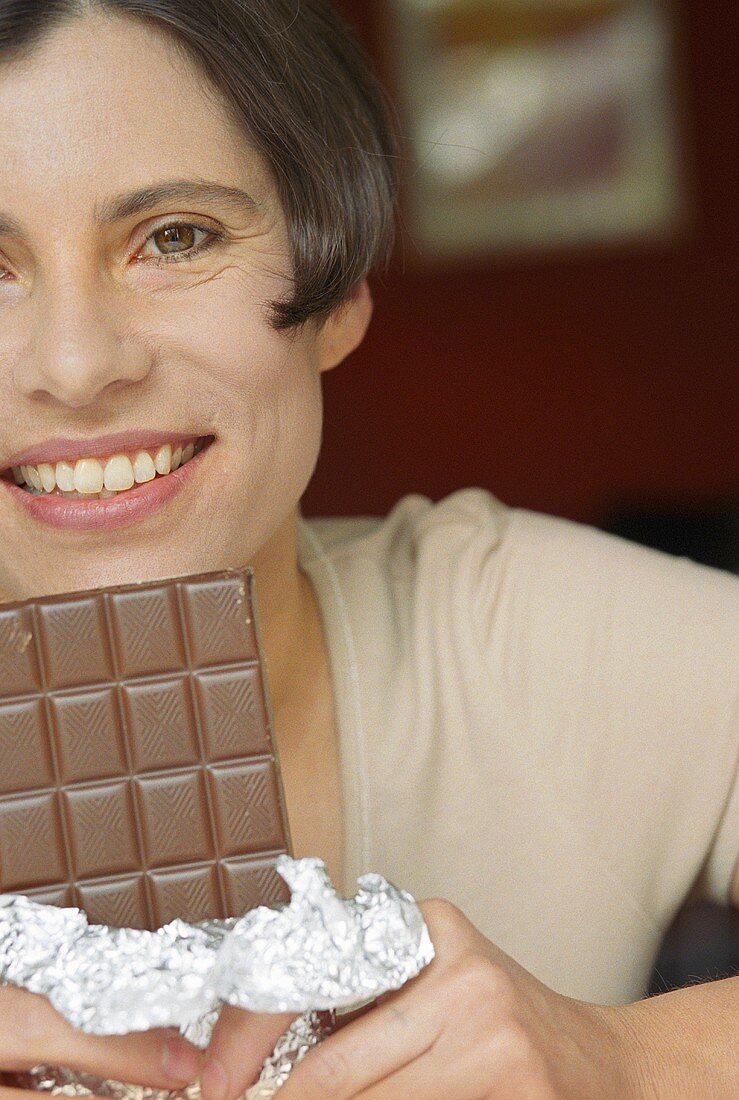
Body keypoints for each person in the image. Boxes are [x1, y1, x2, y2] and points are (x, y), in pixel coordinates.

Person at [0, 2, 736, 1097]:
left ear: (334, 289)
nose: (74, 363)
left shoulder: (530, 639)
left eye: (176, 237)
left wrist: (628, 1059)